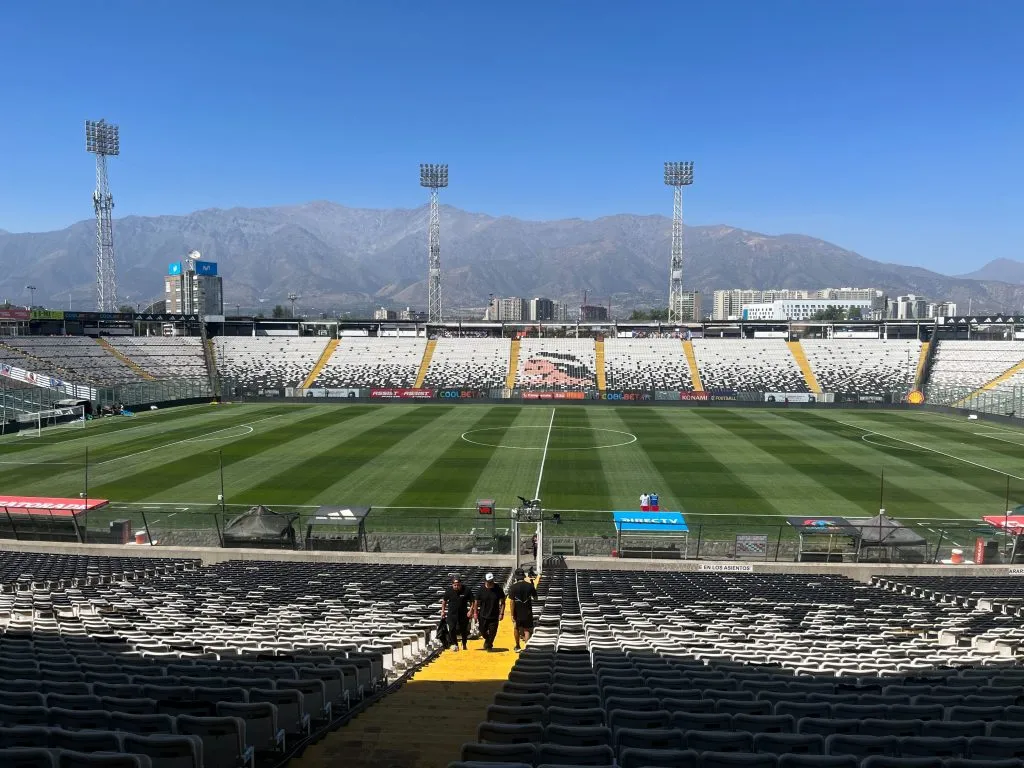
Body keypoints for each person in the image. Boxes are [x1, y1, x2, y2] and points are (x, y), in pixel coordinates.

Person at [473, 572, 506, 651]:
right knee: (482, 630)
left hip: (494, 615)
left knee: (492, 633)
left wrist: (501, 613)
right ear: (485, 581)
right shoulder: (481, 589)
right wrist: (475, 613)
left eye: (491, 581)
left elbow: (503, 602)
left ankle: (489, 645)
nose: (490, 583)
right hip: (483, 614)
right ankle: (488, 640)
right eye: (489, 581)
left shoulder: (498, 589)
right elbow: (476, 602)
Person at [441, 574, 474, 652]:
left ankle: (464, 643)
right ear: (452, 584)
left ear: (460, 584)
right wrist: (443, 611)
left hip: (463, 613)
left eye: (458, 585)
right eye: (454, 585)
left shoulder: (466, 590)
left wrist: (470, 611)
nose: (456, 586)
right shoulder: (449, 590)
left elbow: (472, 601)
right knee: (451, 629)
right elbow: (444, 601)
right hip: (452, 613)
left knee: (463, 629)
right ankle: (455, 644)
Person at [508, 568, 538, 653]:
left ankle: (517, 646)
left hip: (517, 611)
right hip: (527, 611)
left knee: (516, 628)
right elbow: (536, 598)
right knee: (527, 629)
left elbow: (512, 602)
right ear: (523, 576)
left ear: (516, 577)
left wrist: (512, 614)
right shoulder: (530, 586)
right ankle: (526, 647)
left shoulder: (513, 587)